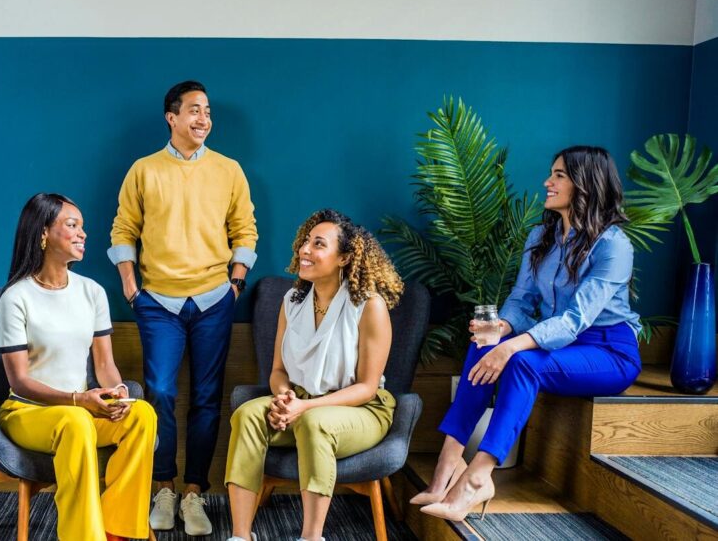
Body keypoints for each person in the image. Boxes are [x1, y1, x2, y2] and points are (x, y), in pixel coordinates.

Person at [413, 146, 642, 522]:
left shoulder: (614, 245)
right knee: (485, 342)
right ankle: (447, 466)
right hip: (557, 344)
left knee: (520, 363)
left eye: (559, 176)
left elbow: (575, 319)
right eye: (551, 173)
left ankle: (478, 477)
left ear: (586, 184)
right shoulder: (541, 236)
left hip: (608, 351)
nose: (547, 182)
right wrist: (501, 327)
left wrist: (513, 345)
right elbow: (521, 300)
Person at [108, 80, 259, 535]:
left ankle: (194, 492)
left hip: (215, 299)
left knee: (208, 399)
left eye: (208, 111)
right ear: (171, 117)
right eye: (194, 110)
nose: (203, 119)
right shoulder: (143, 170)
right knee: (160, 394)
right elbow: (123, 229)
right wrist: (132, 287)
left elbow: (245, 229)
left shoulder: (229, 169)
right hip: (157, 301)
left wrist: (235, 283)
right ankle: (163, 487)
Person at [224, 209, 403, 541]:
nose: (305, 250)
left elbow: (366, 387)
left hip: (360, 410)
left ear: (344, 257)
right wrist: (284, 397)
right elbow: (278, 371)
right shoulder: (291, 301)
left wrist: (303, 409)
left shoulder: (369, 305)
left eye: (318, 244)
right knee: (247, 415)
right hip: (300, 404)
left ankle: (311, 537)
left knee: (314, 422)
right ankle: (240, 535)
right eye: (306, 241)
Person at [0, 193, 158, 541]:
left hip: (80, 410)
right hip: (29, 412)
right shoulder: (16, 298)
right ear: (43, 233)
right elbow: (20, 381)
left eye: (82, 227)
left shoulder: (93, 292)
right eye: (72, 226)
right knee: (76, 422)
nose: (83, 234)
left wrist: (117, 393)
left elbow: (105, 364)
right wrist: (78, 400)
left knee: (142, 415)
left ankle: (116, 530)